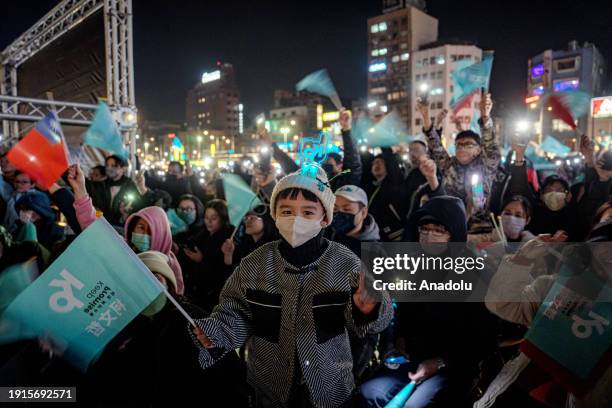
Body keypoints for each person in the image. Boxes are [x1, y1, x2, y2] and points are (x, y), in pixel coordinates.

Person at [191, 165, 392, 407]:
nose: (296, 220)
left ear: (325, 217)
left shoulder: (345, 263)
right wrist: (219, 332)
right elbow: (236, 312)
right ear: (274, 215)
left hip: (331, 390)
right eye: (287, 211)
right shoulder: (254, 264)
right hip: (270, 391)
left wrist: (367, 309)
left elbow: (380, 318)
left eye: (308, 212)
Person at [361, 195, 498, 408]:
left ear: (455, 233)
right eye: (424, 228)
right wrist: (399, 341)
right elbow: (403, 314)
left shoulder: (477, 275)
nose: (429, 235)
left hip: (454, 364)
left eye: (439, 230)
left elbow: (484, 339)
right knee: (370, 393)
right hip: (412, 359)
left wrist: (441, 362)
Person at [82, 250, 248, 406]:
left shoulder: (191, 317)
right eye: (138, 282)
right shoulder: (129, 330)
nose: (146, 286)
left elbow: (229, 372)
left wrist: (212, 346)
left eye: (155, 278)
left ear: (168, 283)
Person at [69, 163, 185, 295]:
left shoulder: (170, 263)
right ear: (132, 229)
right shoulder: (123, 250)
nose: (144, 234)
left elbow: (178, 297)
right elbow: (95, 229)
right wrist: (80, 190)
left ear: (162, 234)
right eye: (140, 227)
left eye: (152, 230)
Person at [420, 90, 501, 231]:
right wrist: (426, 117)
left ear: (478, 150)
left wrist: (485, 116)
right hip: (449, 228)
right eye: (459, 145)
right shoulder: (449, 165)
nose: (462, 148)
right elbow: (435, 145)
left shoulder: (486, 166)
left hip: (478, 232)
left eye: (468, 144)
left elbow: (491, 144)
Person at [180, 199, 234, 311]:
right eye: (206, 217)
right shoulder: (202, 233)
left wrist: (201, 260)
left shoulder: (228, 241)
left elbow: (221, 274)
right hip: (196, 291)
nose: (208, 221)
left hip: (212, 298)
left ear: (222, 219)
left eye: (213, 218)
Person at [365, 145, 408, 242]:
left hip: (394, 237)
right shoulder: (370, 188)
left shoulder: (395, 182)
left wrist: (383, 142)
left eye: (381, 163)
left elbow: (390, 159)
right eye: (374, 163)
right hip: (375, 236)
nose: (377, 165)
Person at [85, 155, 142, 226]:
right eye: (107, 165)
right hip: (101, 225)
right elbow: (95, 204)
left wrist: (125, 214)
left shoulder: (129, 186)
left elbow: (137, 207)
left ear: (123, 168)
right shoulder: (101, 184)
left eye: (113, 165)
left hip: (121, 227)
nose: (109, 168)